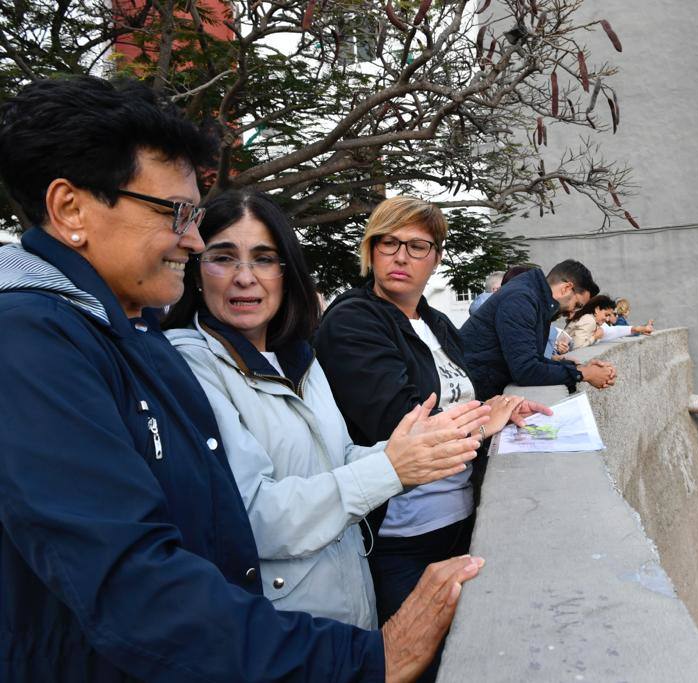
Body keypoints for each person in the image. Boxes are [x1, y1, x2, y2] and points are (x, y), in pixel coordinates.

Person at [0, 75, 480, 683]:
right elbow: (137, 580)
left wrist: (404, 451)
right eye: (176, 214)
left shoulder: (136, 340)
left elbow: (215, 514)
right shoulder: (34, 343)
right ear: (71, 208)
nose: (193, 241)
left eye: (264, 258)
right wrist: (361, 660)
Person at [162, 189, 492, 629]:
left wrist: (405, 453)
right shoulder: (186, 365)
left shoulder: (299, 358)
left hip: (353, 598)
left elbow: (340, 459)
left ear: (286, 273)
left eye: (264, 259)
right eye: (223, 257)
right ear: (196, 269)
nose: (245, 277)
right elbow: (250, 517)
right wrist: (397, 465)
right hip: (286, 626)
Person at [313, 196, 548, 679]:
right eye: (389, 243)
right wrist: (485, 421)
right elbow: (402, 427)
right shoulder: (353, 320)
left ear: (436, 258)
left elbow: (471, 397)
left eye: (417, 246)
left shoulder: (437, 323)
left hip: (461, 523)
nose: (401, 257)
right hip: (401, 541)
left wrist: (506, 408)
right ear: (371, 250)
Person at [460, 259, 617, 401]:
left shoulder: (535, 298)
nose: (573, 313)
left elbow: (533, 359)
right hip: (467, 397)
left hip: (480, 392)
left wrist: (578, 368)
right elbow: (526, 370)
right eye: (577, 305)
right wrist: (585, 374)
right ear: (566, 288)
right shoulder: (521, 299)